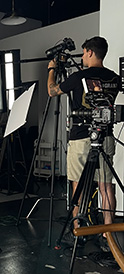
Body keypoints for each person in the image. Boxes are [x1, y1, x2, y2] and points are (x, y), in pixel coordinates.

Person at [47, 36, 120, 251]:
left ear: (89, 52)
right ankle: (109, 236)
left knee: (77, 185)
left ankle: (78, 228)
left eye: (84, 53)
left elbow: (52, 91)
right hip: (105, 136)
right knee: (106, 187)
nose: (83, 57)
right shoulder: (115, 78)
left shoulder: (79, 76)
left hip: (80, 137)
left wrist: (51, 69)